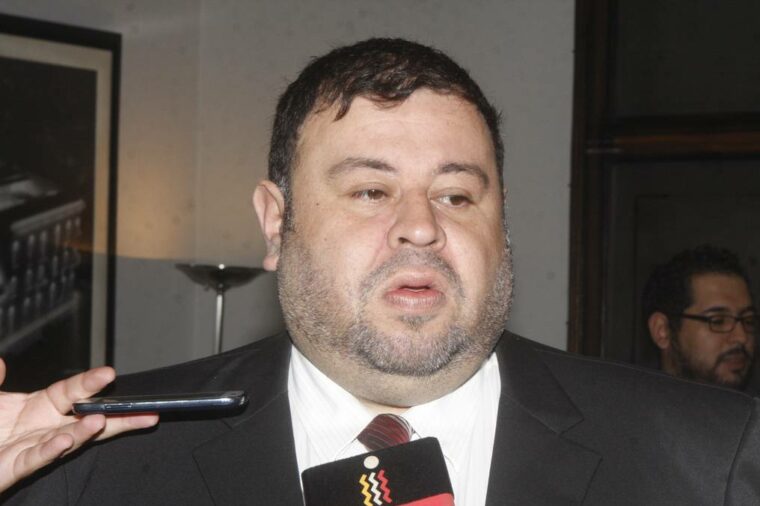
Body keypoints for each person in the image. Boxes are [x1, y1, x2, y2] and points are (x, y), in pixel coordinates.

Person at [2, 38, 760, 505]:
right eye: (370, 191)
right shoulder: (91, 462)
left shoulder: (710, 459)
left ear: (502, 226)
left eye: (457, 195)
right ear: (276, 222)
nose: (421, 226)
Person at [642, 245, 757, 391]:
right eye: (718, 321)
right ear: (662, 330)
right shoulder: (624, 403)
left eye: (748, 321)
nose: (742, 337)